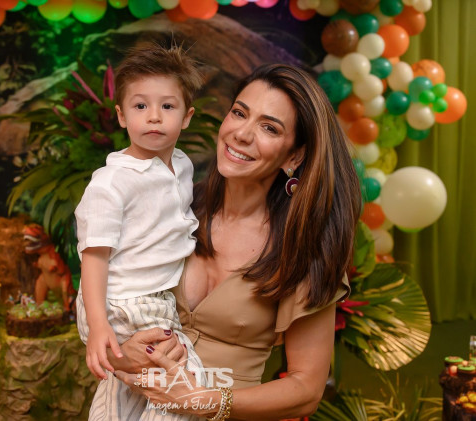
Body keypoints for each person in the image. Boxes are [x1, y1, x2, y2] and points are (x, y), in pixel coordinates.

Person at [110, 63, 362, 420]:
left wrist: (201, 400)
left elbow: (306, 390)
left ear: (294, 155)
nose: (242, 134)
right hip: (132, 409)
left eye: (269, 127)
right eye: (240, 113)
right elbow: (105, 314)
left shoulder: (304, 246)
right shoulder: (171, 206)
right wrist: (121, 352)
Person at [74, 43, 208, 421]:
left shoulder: (181, 165)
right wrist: (98, 324)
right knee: (186, 381)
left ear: (186, 117)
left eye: (167, 106)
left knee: (130, 387)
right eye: (139, 106)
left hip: (148, 297)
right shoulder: (112, 182)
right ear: (121, 116)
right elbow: (95, 255)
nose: (153, 117)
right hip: (125, 299)